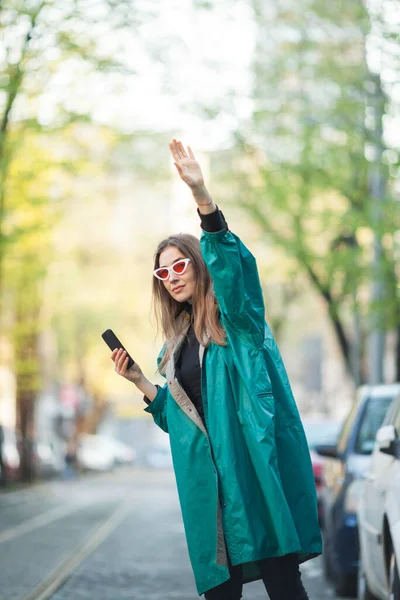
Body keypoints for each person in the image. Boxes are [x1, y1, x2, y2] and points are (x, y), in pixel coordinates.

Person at [111, 139, 322, 599]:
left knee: (283, 584)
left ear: (199, 264)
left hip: (251, 475)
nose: (173, 277)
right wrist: (140, 382)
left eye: (180, 265)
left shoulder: (237, 324)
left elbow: (233, 269)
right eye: (163, 274)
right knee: (220, 594)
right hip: (211, 489)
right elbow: (185, 422)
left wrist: (202, 196)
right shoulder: (174, 347)